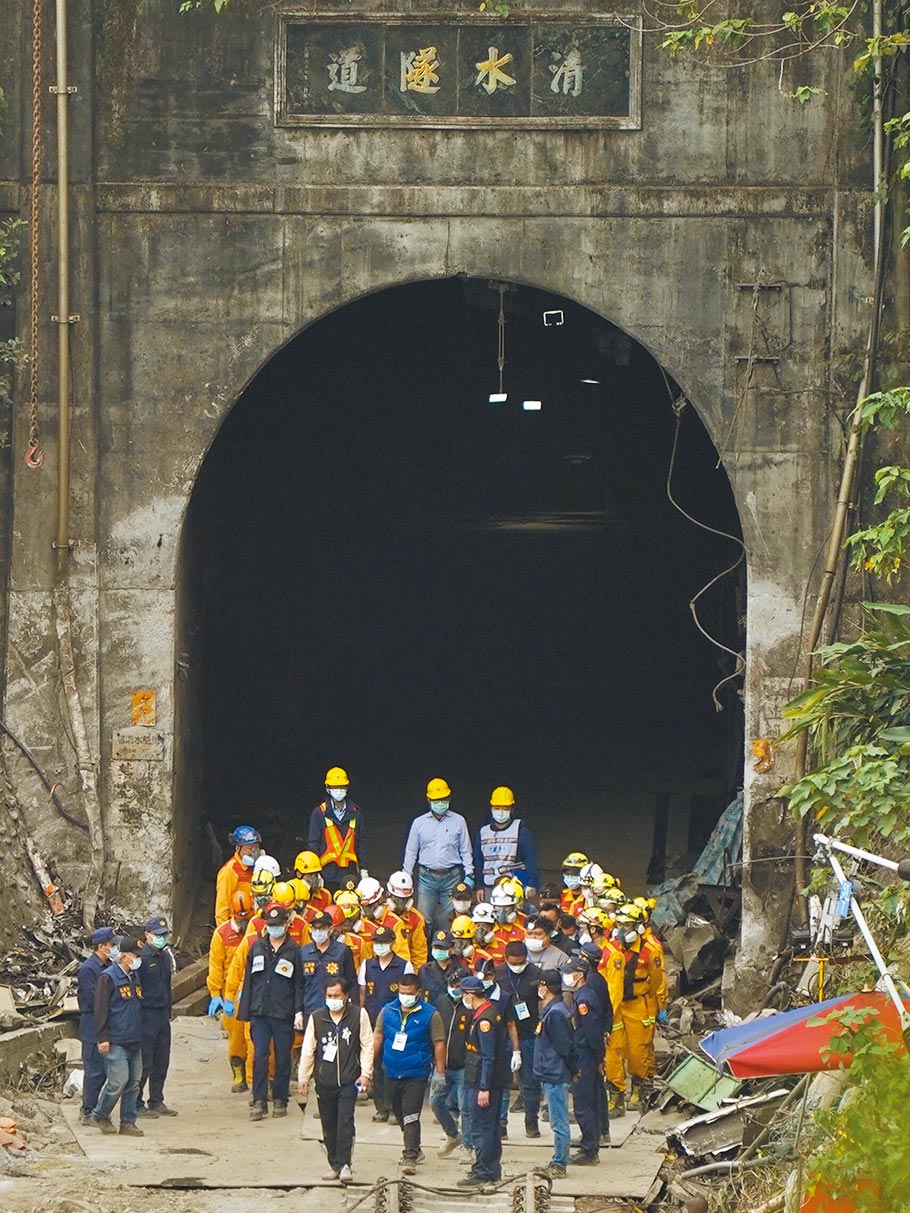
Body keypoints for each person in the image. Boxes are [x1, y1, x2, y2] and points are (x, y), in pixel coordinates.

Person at [298, 976, 373, 1185]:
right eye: (329, 996)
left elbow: (367, 1044)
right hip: (324, 1081)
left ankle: (346, 1163)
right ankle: (335, 1164)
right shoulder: (317, 1018)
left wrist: (366, 1073)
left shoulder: (359, 1015)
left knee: (345, 1122)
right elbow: (308, 1049)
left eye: (337, 996)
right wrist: (303, 1077)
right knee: (328, 1125)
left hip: (349, 1080)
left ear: (346, 996)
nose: (333, 1000)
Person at [372, 971, 446, 1176]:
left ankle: (410, 1156)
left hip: (416, 1073)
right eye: (402, 992)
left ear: (419, 993)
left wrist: (440, 1072)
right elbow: (378, 1036)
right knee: (398, 1112)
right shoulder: (387, 1011)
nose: (405, 996)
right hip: (391, 1071)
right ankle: (416, 1147)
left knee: (412, 1114)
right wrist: (369, 1065)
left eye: (409, 992)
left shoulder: (431, 1014)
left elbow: (439, 1043)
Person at [238, 903, 306, 1120]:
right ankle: (259, 1100)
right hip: (260, 1011)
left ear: (286, 924)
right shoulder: (257, 947)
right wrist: (245, 1010)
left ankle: (280, 1099)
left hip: (283, 1013)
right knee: (260, 1055)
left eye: (278, 925)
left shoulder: (294, 951)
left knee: (283, 1056)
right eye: (270, 924)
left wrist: (298, 1011)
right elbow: (248, 980)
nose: (274, 928)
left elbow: (299, 984)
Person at [602, 903, 663, 1115]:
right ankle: (616, 1093)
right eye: (620, 925)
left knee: (638, 1050)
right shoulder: (610, 949)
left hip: (638, 1004)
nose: (623, 930)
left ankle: (638, 1087)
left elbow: (656, 981)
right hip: (615, 1007)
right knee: (613, 1049)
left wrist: (652, 1003)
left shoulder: (650, 950)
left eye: (628, 925)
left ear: (638, 926)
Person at [89, 931, 146, 1136]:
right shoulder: (108, 978)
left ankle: (128, 1122)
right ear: (124, 956)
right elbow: (101, 1010)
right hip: (116, 1040)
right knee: (117, 1082)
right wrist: (102, 1038)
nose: (138, 959)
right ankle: (100, 1114)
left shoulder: (134, 976)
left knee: (134, 1083)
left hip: (134, 1039)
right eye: (136, 955)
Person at [457, 974, 511, 1188]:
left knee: (482, 1127)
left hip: (482, 1080)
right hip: (478, 1077)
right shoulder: (485, 1013)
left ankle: (483, 1170)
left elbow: (488, 1056)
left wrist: (483, 1087)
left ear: (470, 995)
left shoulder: (485, 1020)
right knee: (488, 1127)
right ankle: (491, 1168)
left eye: (464, 994)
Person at [359, 924, 414, 1123]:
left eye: (383, 943)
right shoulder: (367, 965)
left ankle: (394, 1109)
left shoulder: (404, 966)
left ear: (392, 943)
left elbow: (410, 994)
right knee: (376, 1065)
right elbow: (363, 993)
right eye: (376, 943)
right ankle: (381, 1108)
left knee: (393, 1065)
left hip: (395, 1023)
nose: (379, 946)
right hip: (373, 1022)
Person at [402, 778, 474, 924]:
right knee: (423, 920)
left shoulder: (459, 821)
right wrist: (406, 876)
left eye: (444, 799)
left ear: (449, 799)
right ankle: (426, 947)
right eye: (436, 800)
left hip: (451, 877)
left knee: (453, 920)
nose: (440, 803)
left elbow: (466, 850)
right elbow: (411, 852)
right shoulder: (419, 823)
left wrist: (470, 874)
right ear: (428, 800)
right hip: (427, 878)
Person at [207, 887, 255, 1092]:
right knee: (236, 1037)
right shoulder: (222, 934)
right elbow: (216, 966)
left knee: (253, 1036)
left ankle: (256, 1078)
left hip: (253, 988)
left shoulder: (255, 931)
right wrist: (216, 994)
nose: (244, 921)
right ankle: (238, 1073)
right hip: (232, 993)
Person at [562, 958, 610, 1163]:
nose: (566, 976)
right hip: (587, 1053)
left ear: (579, 975)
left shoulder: (583, 1000)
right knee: (593, 1098)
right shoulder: (582, 995)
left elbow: (592, 1032)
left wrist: (599, 1056)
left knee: (583, 1102)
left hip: (585, 1054)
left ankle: (590, 1149)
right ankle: (592, 1140)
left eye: (569, 972)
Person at [496, 940, 543, 1138]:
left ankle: (532, 1122)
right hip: (502, 1037)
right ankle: (501, 1125)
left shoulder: (536, 974)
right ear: (506, 959)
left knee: (531, 1083)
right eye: (513, 963)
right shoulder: (498, 974)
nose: (517, 966)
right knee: (502, 1083)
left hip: (529, 1035)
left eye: (521, 962)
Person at [533, 969, 577, 1179]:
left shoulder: (557, 1013)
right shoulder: (552, 1010)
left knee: (559, 1122)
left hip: (555, 1074)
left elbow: (564, 1047)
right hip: (550, 1072)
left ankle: (560, 1164)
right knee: (555, 1120)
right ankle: (557, 1159)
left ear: (546, 988)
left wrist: (572, 1071)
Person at [428, 964, 472, 1157]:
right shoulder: (440, 1003)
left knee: (466, 1109)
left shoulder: (472, 1007)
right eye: (452, 984)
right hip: (441, 1065)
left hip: (464, 1065)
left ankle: (468, 1146)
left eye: (459, 986)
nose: (455, 989)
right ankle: (453, 1135)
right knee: (435, 1102)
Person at [136, 915, 176, 1118]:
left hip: (162, 1014)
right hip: (146, 1014)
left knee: (162, 1059)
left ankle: (156, 1100)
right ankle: (136, 1102)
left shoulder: (165, 957)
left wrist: (169, 1011)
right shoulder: (141, 959)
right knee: (145, 1061)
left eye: (164, 935)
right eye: (157, 935)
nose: (161, 938)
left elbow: (167, 986)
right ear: (147, 935)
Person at [306, 767, 369, 894]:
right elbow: (313, 844)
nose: (338, 791)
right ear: (327, 789)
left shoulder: (356, 814)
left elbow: (361, 842)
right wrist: (314, 872)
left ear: (347, 788)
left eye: (342, 787)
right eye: (335, 787)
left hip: (349, 875)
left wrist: (364, 869)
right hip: (326, 874)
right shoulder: (319, 813)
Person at [77, 926, 116, 1125]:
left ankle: (94, 1107)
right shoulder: (88, 970)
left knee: (105, 1069)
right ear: (101, 946)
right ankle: (88, 1111)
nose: (115, 948)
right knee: (94, 1069)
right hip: (92, 1022)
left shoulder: (108, 966)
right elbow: (95, 1000)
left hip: (105, 1021)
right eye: (112, 945)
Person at [473, 787, 540, 896]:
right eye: (497, 808)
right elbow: (478, 861)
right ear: (491, 808)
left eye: (505, 808)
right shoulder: (483, 832)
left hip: (513, 886)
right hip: (488, 886)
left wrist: (531, 883)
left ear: (512, 809)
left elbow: (530, 858)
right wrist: (479, 885)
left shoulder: (521, 831)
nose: (501, 812)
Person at [298, 910, 357, 1021]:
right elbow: (299, 984)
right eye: (315, 928)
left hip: (337, 1010)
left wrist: (354, 1009)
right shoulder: (303, 952)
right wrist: (298, 1012)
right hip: (311, 1010)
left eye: (322, 928)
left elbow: (351, 982)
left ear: (331, 929)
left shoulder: (342, 951)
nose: (318, 932)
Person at [215, 825, 261, 926]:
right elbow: (222, 907)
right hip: (238, 923)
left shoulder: (258, 867)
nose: (254, 852)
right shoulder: (229, 871)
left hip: (255, 922)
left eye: (256, 847)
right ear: (237, 848)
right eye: (249, 848)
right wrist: (225, 934)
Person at [386, 871, 428, 969]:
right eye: (398, 898)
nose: (401, 903)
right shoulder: (382, 915)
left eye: (404, 899)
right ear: (389, 895)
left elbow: (419, 952)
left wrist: (414, 975)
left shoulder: (417, 918)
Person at [418, 929, 468, 1005]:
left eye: (442, 948)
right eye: (436, 947)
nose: (438, 950)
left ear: (452, 949)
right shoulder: (425, 970)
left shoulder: (463, 971)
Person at [488, 884, 526, 961]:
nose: (502, 911)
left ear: (513, 907)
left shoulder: (522, 931)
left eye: (506, 907)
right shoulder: (487, 928)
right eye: (498, 906)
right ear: (493, 907)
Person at [293, 851, 333, 921]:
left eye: (317, 873)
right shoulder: (291, 892)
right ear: (299, 874)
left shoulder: (325, 895)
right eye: (311, 874)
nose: (316, 878)